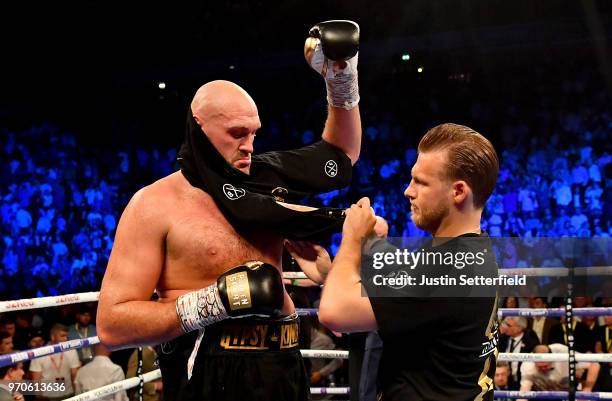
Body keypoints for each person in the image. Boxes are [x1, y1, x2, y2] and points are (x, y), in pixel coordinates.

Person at [97, 20, 362, 401]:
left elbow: (341, 156)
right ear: (199, 129)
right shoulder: (155, 205)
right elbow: (112, 324)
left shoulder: (263, 176)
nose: (249, 146)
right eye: (237, 133)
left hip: (284, 364)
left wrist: (341, 75)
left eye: (254, 133)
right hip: (207, 370)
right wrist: (213, 302)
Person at [288, 123, 500, 400]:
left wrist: (353, 238)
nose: (407, 191)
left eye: (421, 182)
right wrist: (333, 275)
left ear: (458, 191)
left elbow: (333, 313)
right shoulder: (470, 254)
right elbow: (402, 299)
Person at [518, 344, 599, 398]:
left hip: (569, 394)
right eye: (539, 367)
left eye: (545, 366)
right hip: (544, 396)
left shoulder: (562, 353)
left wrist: (587, 389)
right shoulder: (528, 364)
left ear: (552, 359)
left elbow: (595, 364)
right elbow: (524, 390)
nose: (543, 369)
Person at [29, 324, 81, 400]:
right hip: (48, 396)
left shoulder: (71, 350)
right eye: (62, 336)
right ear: (52, 337)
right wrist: (39, 397)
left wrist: (77, 394)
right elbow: (36, 379)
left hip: (69, 393)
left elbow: (74, 374)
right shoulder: (39, 353)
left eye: (66, 336)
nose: (66, 339)